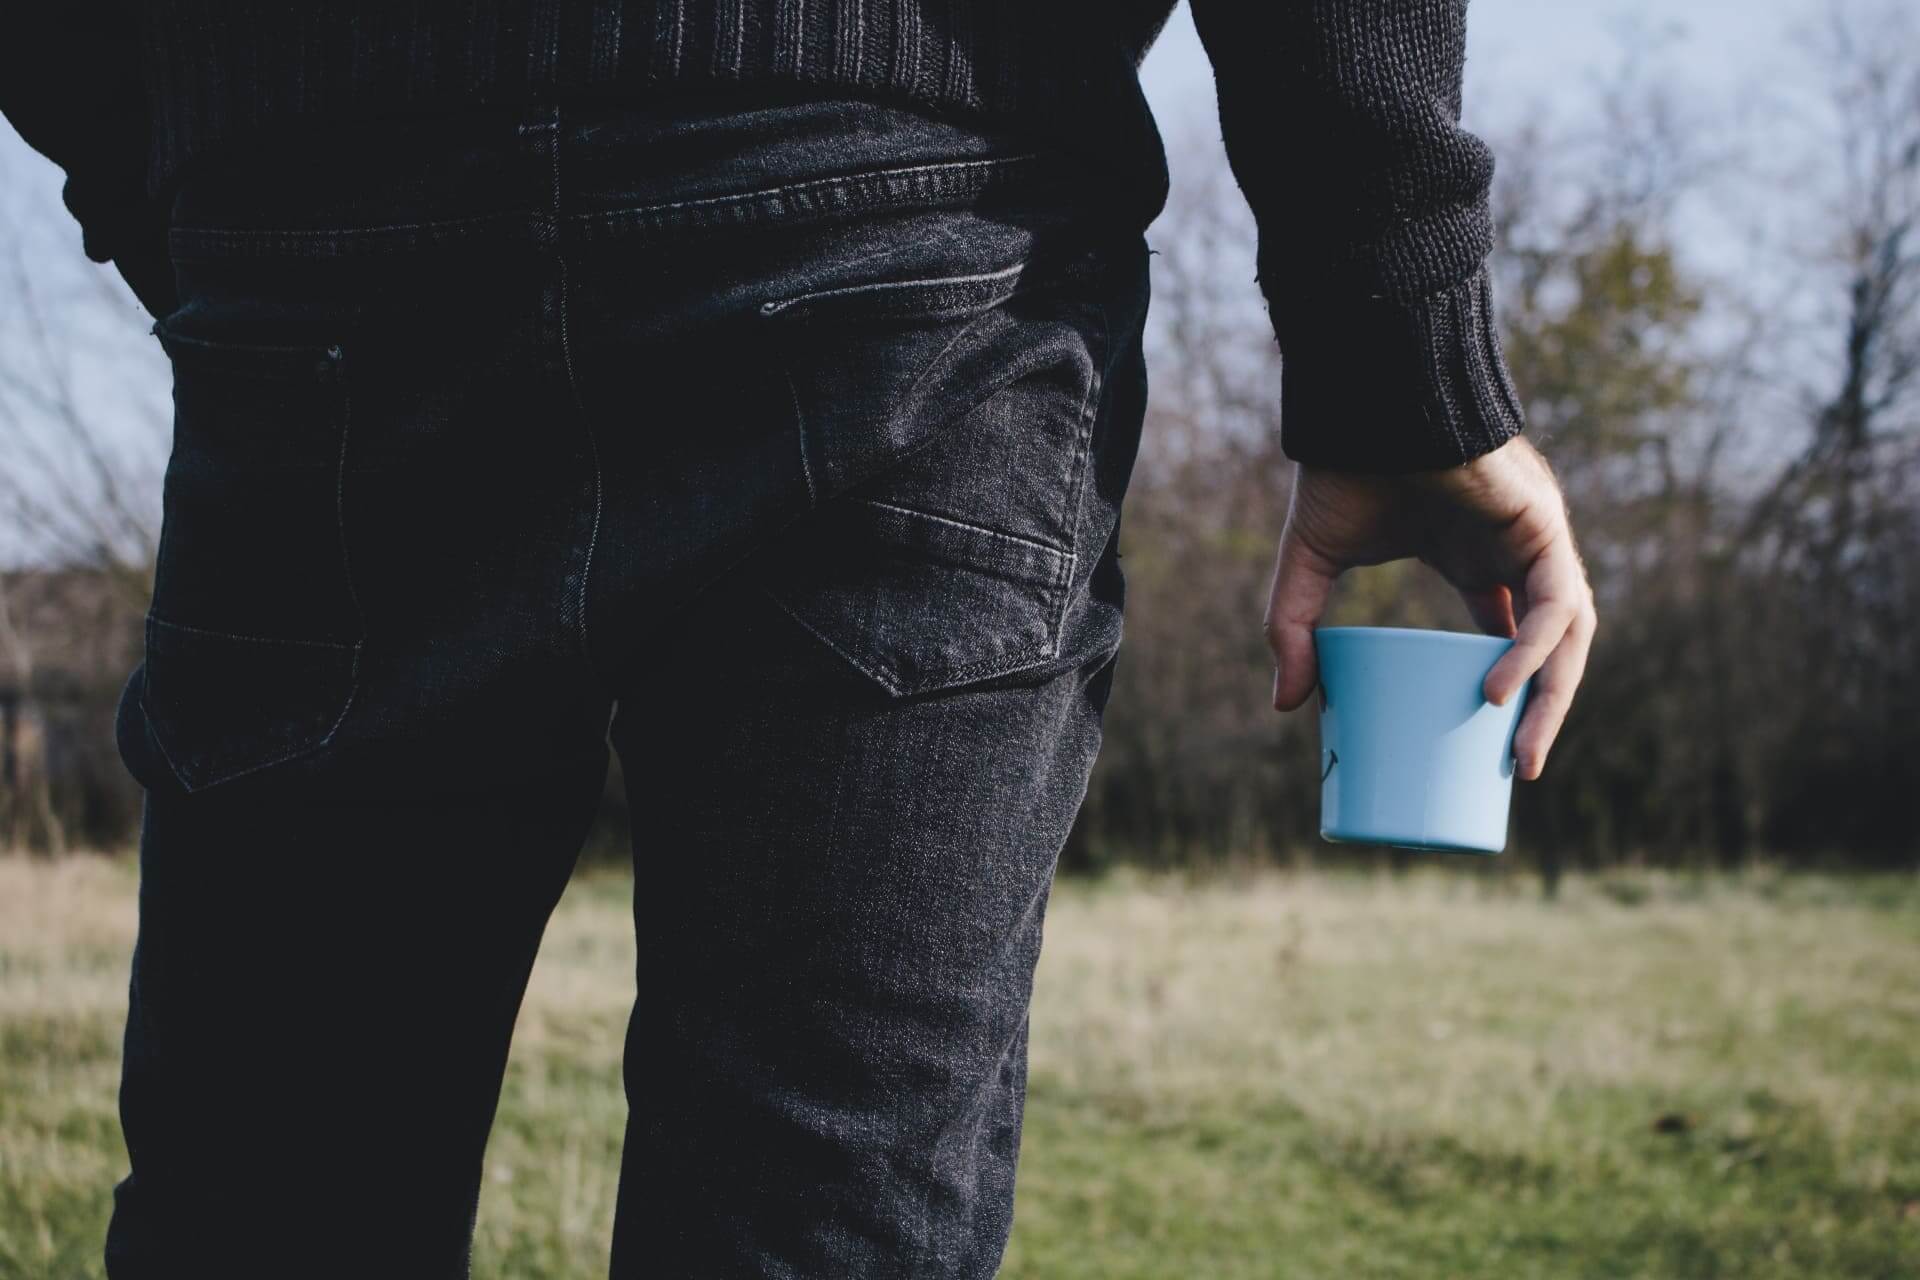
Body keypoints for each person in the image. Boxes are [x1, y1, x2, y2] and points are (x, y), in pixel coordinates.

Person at [3, 3, 1594, 1276]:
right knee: (818, 1205)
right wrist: (1396, 350)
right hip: (911, 208)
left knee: (271, 1196)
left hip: (333, 208)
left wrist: (216, 156)